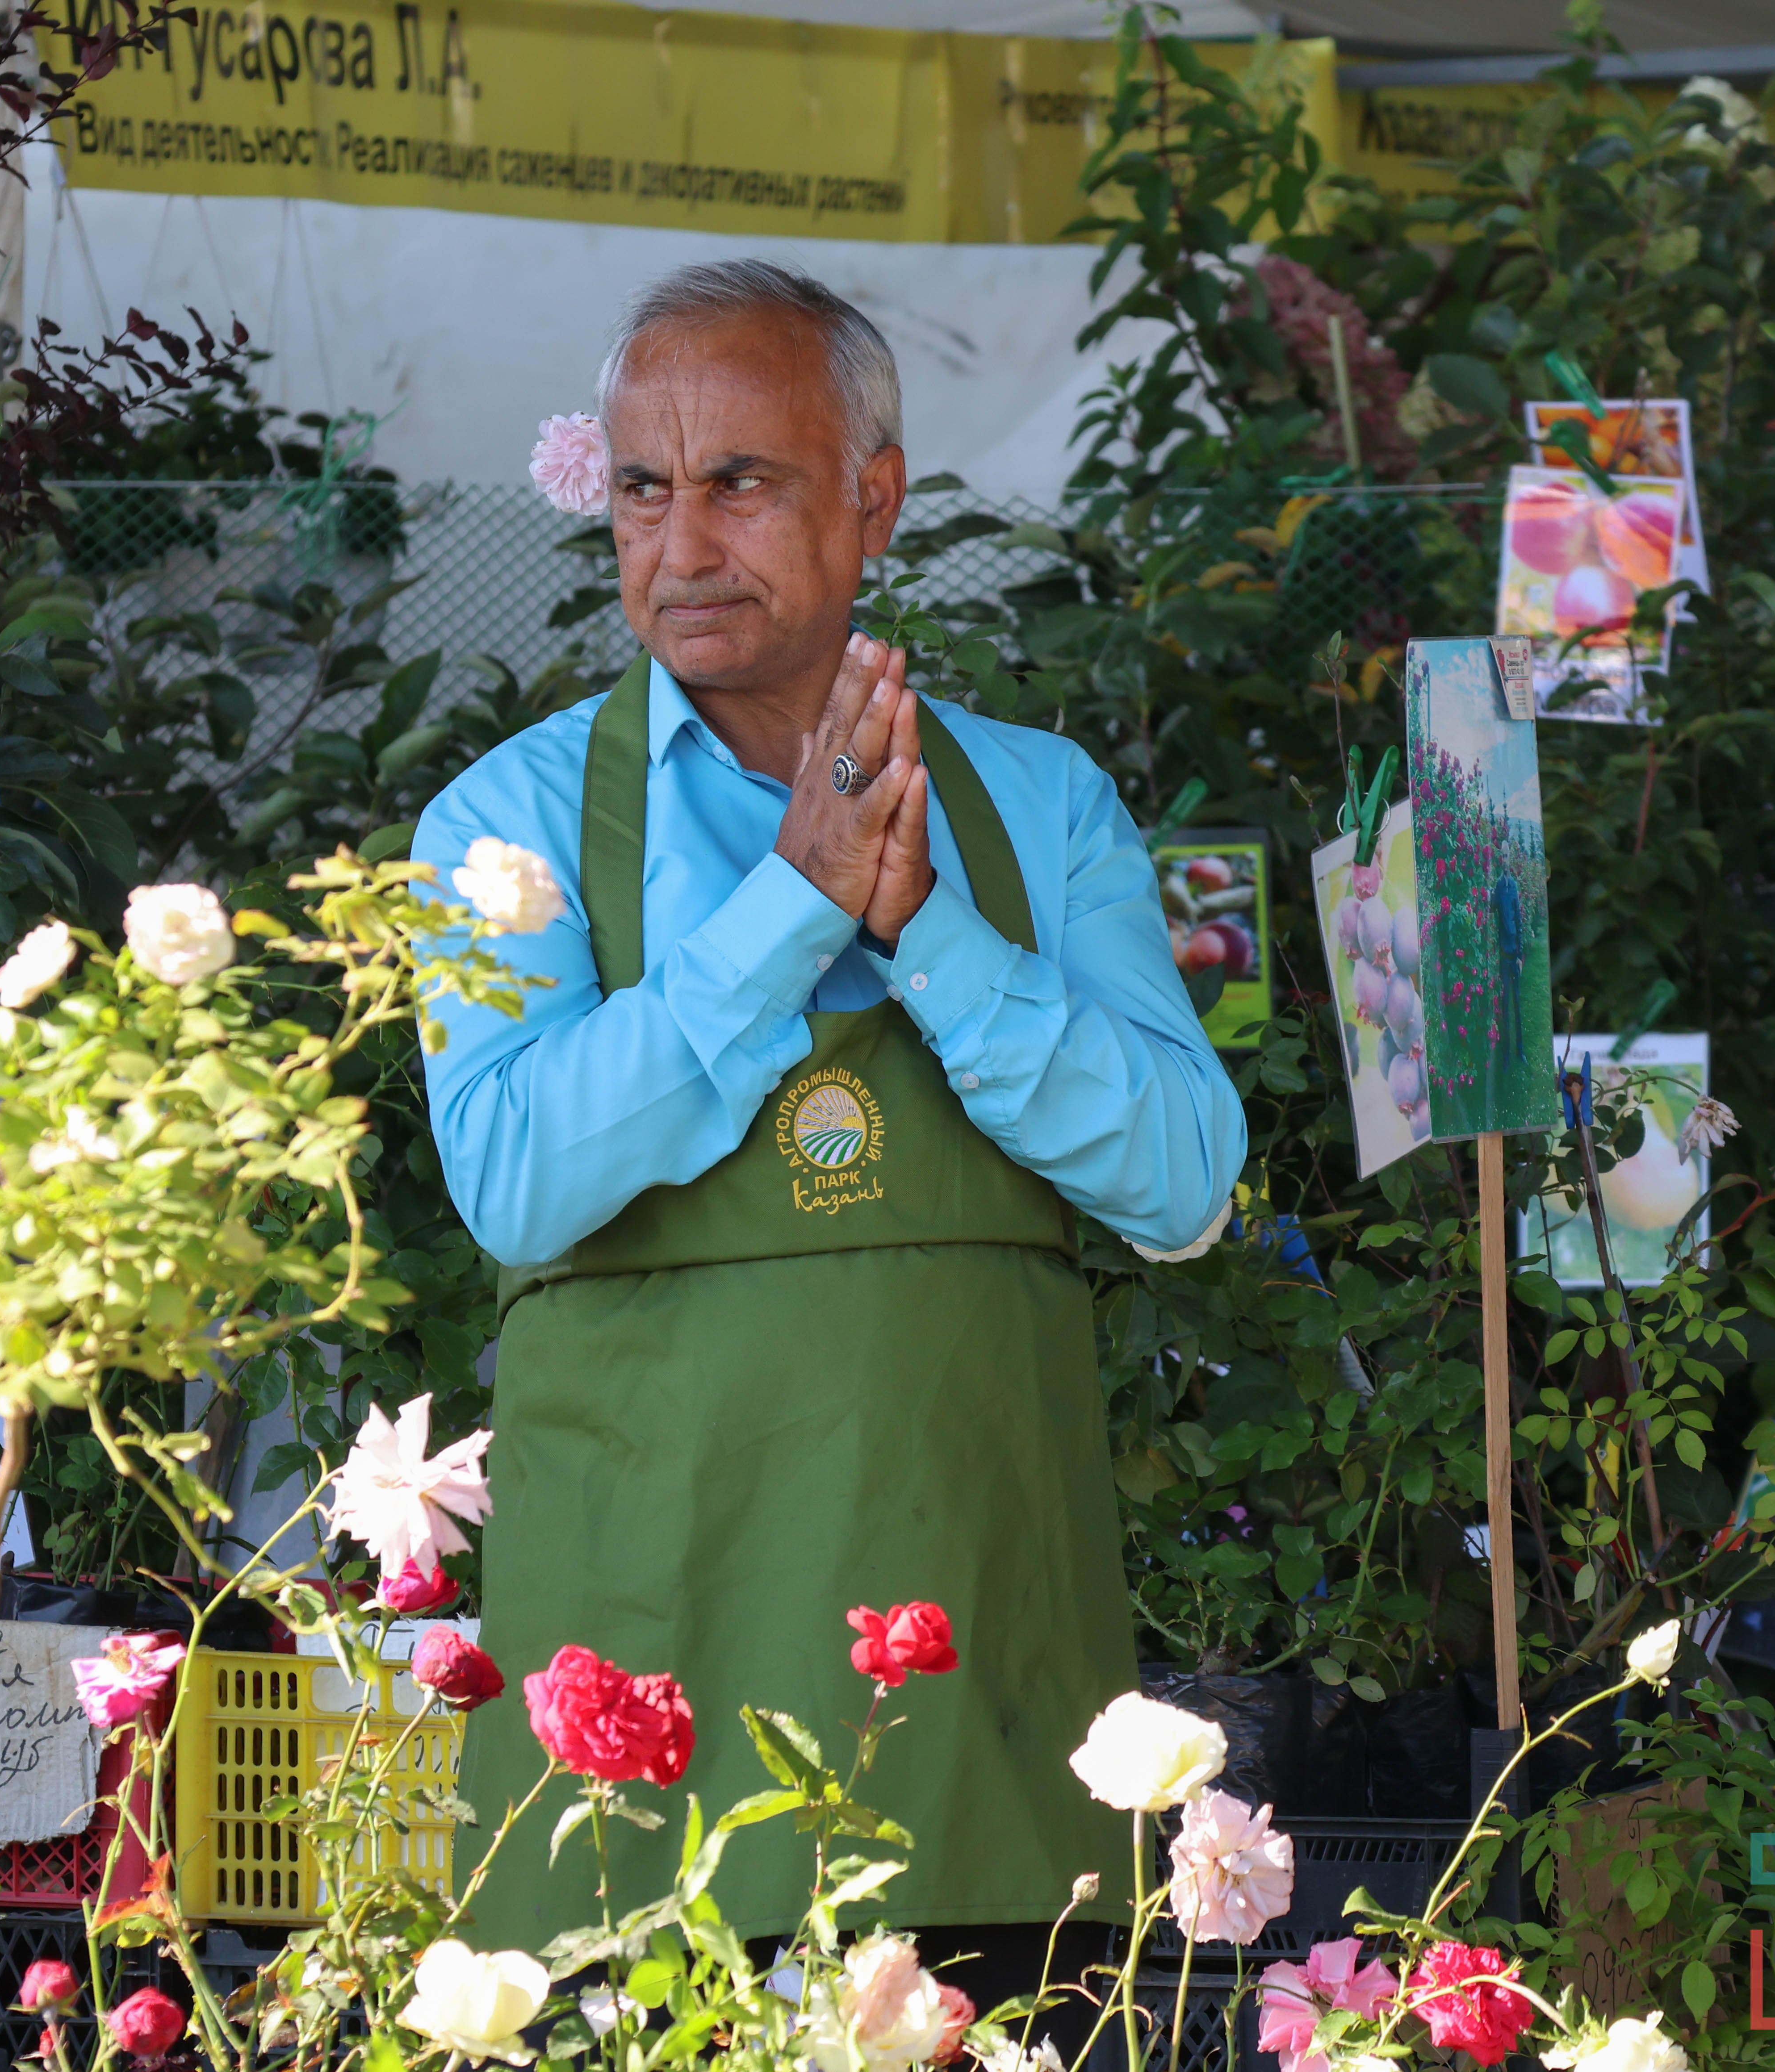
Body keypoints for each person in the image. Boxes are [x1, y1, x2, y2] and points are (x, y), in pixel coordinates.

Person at [414, 260, 1246, 2009]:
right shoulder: (507, 822)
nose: (683, 537)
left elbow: (1184, 1180)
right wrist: (794, 907)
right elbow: (518, 1179)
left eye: (744, 480)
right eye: (645, 486)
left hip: (995, 1712)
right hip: (641, 1720)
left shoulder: (1040, 801)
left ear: (875, 496)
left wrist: (936, 938)